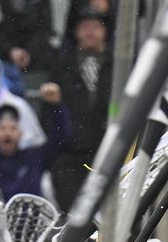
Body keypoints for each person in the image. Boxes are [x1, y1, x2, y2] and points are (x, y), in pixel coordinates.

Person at [41, 9, 112, 208]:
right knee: (72, 213)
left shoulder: (117, 65)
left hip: (106, 151)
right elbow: (48, 113)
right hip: (70, 155)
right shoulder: (63, 65)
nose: (90, 32)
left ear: (104, 31)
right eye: (84, 27)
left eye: (95, 27)